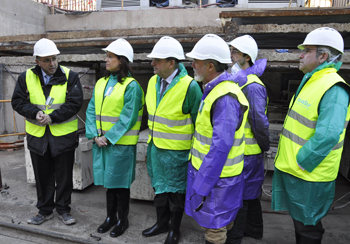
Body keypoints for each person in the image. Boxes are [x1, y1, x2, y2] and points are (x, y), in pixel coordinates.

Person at [271, 27, 350, 244]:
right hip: (300, 171)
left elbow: (329, 134)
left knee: (309, 228)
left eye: (307, 50)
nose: (301, 55)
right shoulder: (312, 80)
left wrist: (302, 161)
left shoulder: (333, 88)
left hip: (311, 174)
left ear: (323, 56)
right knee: (301, 223)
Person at [184, 34, 249, 244]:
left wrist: (202, 184)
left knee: (216, 229)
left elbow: (221, 147)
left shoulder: (225, 97)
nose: (192, 65)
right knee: (218, 224)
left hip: (219, 179)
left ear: (210, 66)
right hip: (216, 176)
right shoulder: (214, 90)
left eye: (197, 61)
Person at [11, 38, 83, 225]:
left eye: (54, 59)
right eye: (47, 60)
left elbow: (74, 103)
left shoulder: (70, 76)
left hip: (63, 136)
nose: (52, 63)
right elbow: (18, 101)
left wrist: (53, 117)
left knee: (64, 176)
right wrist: (35, 113)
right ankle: (44, 210)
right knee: (42, 176)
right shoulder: (25, 77)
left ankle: (64, 209)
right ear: (37, 61)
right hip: (38, 137)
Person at [142, 36, 202, 244]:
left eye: (157, 60)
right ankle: (161, 223)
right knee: (159, 188)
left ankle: (174, 230)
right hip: (156, 149)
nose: (152, 63)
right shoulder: (152, 82)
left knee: (176, 193)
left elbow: (199, 124)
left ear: (171, 63)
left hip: (178, 152)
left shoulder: (190, 87)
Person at [85, 38, 144, 238]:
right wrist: (94, 135)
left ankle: (122, 220)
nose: (106, 60)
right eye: (107, 56)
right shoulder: (102, 82)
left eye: (110, 56)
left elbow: (127, 118)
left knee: (120, 184)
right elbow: (91, 110)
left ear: (122, 60)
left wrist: (107, 138)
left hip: (120, 144)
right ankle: (110, 218)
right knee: (109, 184)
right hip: (102, 142)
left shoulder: (131, 86)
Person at [226, 35, 270, 244]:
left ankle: (237, 235)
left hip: (248, 153)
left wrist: (264, 146)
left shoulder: (252, 86)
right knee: (250, 195)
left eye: (235, 52)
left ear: (246, 56)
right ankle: (254, 230)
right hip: (246, 152)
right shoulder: (241, 80)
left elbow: (258, 121)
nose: (231, 56)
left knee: (241, 197)